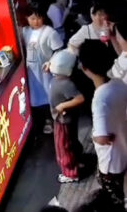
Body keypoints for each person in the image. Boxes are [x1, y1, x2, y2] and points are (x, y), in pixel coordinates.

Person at [79, 40, 127, 210]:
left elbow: (101, 137)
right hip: (124, 151)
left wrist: (94, 136)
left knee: (113, 199)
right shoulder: (120, 83)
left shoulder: (99, 99)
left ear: (85, 69)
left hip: (111, 161)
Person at [22, 2, 63, 136]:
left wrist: (50, 62)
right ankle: (39, 122)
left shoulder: (49, 32)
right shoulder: (25, 32)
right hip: (31, 72)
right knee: (34, 96)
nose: (36, 21)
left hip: (45, 72)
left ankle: (50, 120)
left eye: (39, 18)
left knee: (48, 95)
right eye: (32, 18)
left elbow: (59, 51)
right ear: (27, 18)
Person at [49, 49, 84, 183]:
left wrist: (63, 106)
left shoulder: (66, 84)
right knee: (71, 141)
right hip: (66, 118)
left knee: (63, 146)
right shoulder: (61, 79)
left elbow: (80, 98)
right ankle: (77, 160)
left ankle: (70, 173)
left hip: (63, 120)